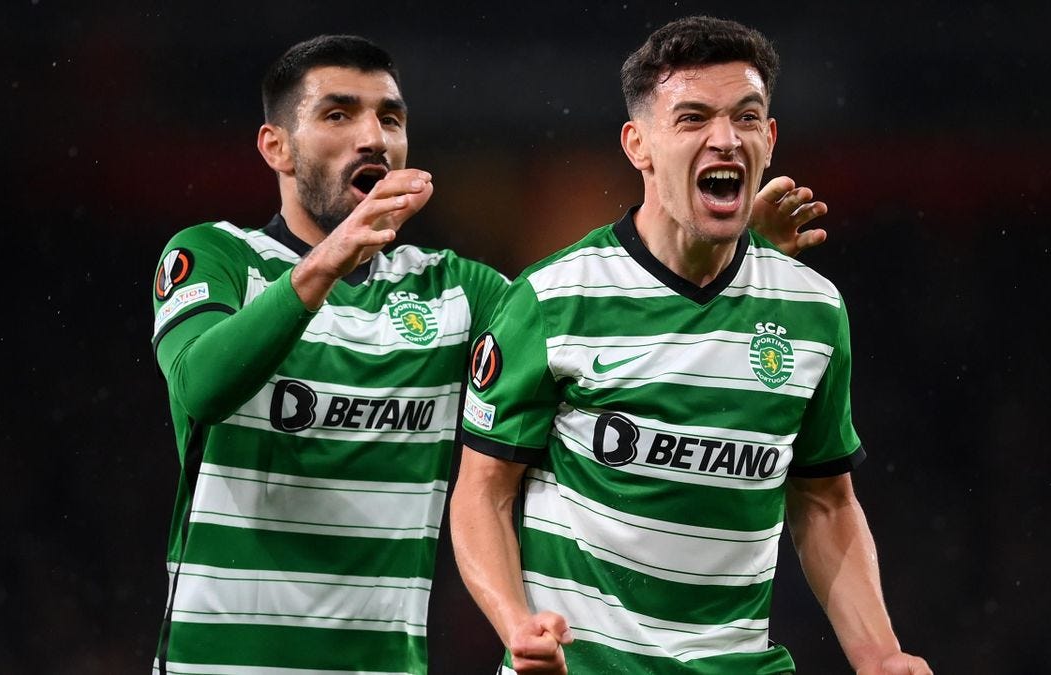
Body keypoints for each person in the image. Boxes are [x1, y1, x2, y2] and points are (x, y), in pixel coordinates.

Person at [149, 33, 829, 675]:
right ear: (277, 147)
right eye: (338, 114)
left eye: (391, 118)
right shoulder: (217, 257)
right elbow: (202, 385)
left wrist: (738, 257)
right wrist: (326, 262)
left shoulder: (456, 291)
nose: (372, 136)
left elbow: (606, 336)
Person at [450, 16, 932, 675]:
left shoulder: (813, 311)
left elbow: (824, 502)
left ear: (770, 138)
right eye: (694, 118)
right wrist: (516, 624)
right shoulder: (551, 300)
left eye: (746, 117)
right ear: (638, 145)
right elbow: (481, 490)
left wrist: (878, 654)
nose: (725, 139)